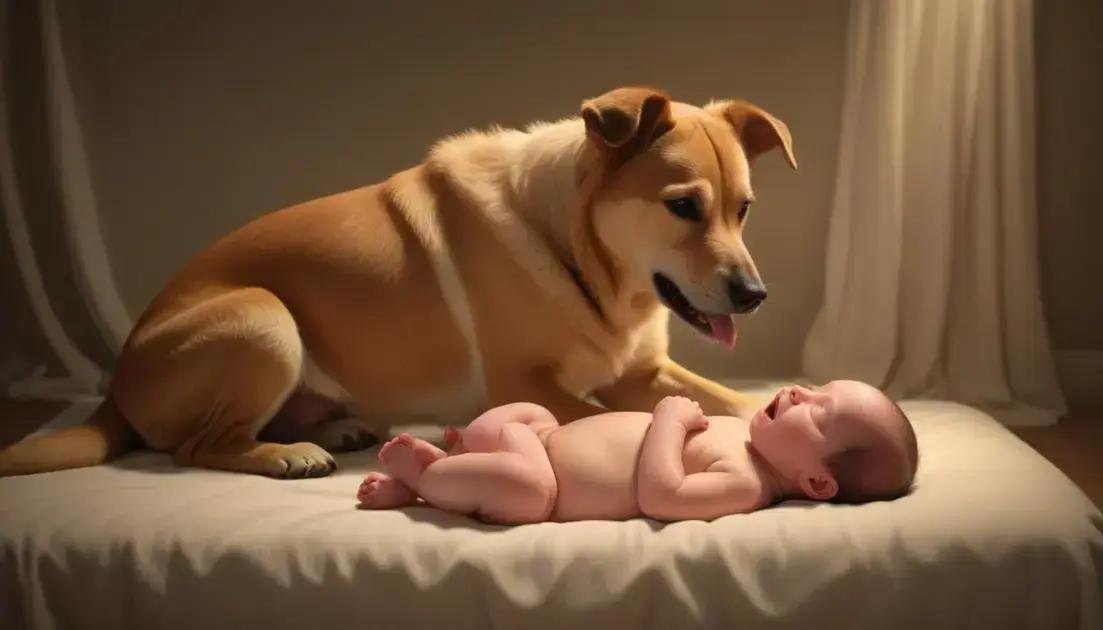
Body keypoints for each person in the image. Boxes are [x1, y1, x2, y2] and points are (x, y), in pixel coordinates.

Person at [356, 380, 918, 523]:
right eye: (816, 387)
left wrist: (667, 422)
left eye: (818, 413)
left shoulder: (748, 483)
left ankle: (426, 481)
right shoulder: (746, 436)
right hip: (543, 436)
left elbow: (662, 496)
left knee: (528, 493)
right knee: (531, 412)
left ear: (817, 482)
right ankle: (464, 460)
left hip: (542, 477)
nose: (799, 393)